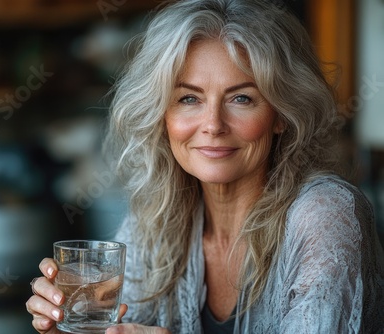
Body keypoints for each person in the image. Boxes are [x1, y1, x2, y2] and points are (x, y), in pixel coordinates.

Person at [26, 0, 384, 333]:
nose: (213, 124)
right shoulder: (152, 222)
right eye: (189, 99)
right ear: (162, 115)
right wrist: (67, 324)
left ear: (280, 115)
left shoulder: (324, 215)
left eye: (241, 98)